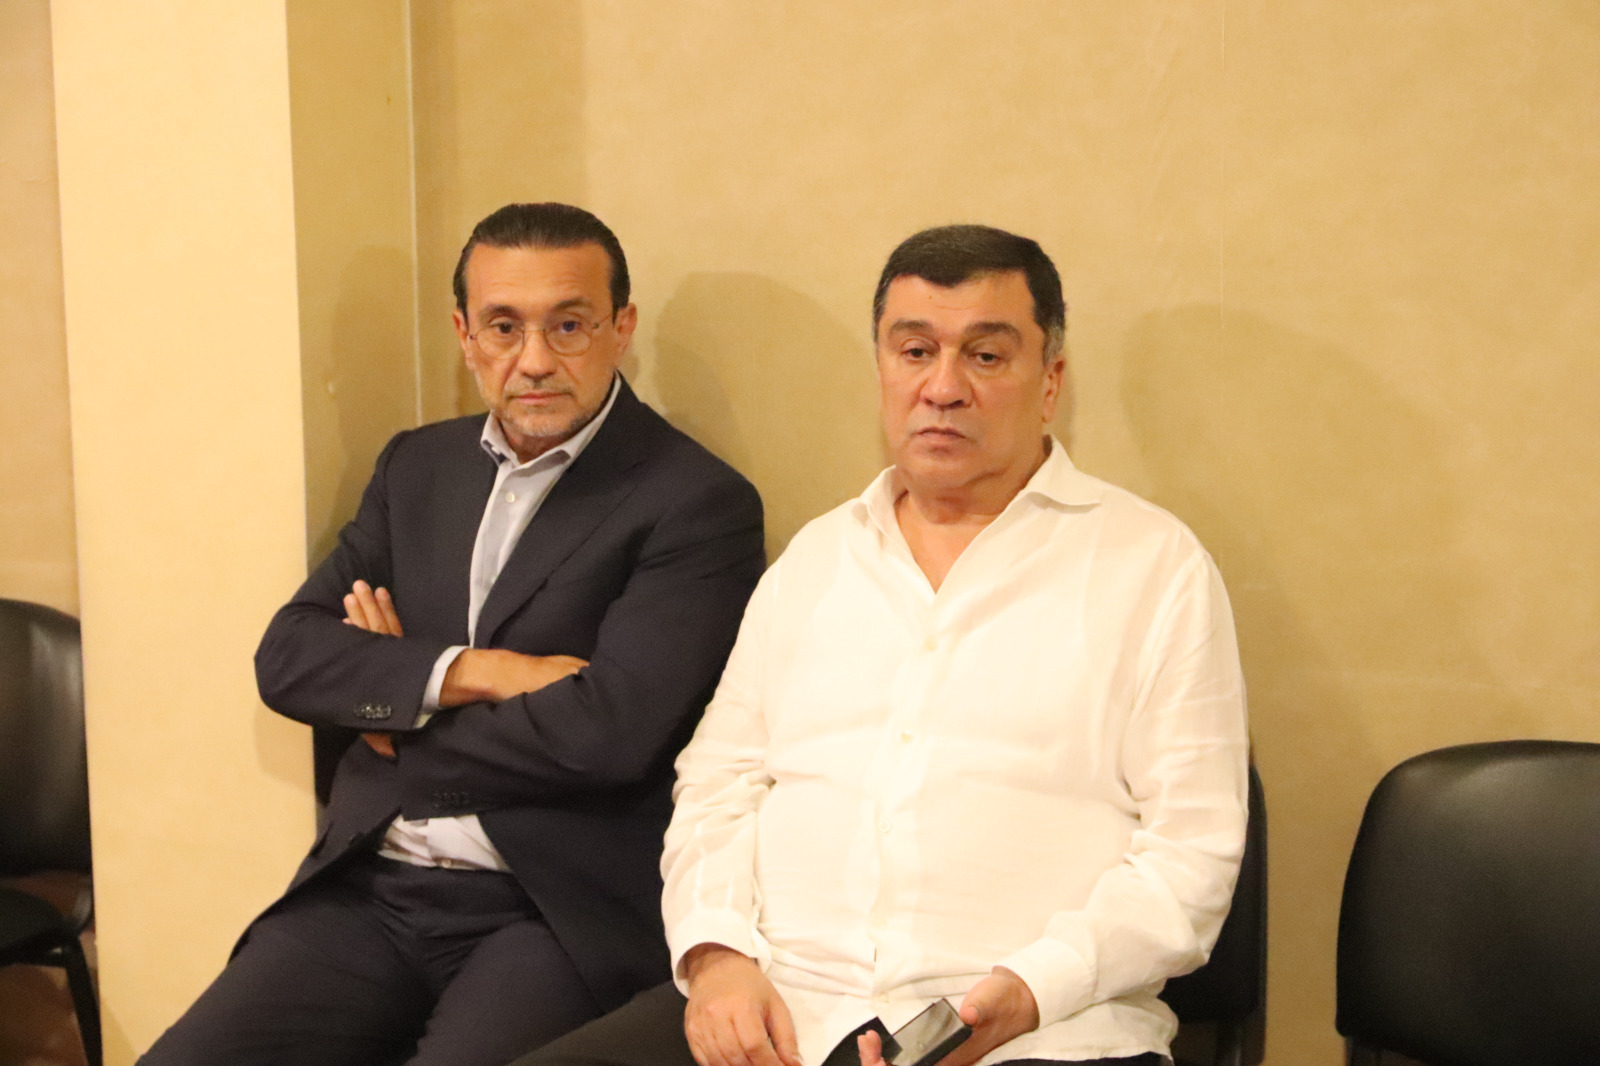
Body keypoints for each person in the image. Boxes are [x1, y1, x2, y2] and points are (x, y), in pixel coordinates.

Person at [519, 224, 1248, 1066]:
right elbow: (719, 784)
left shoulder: (1153, 566)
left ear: (1050, 382)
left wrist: (1029, 989)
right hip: (782, 1011)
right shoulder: (816, 560)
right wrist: (717, 957)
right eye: (915, 351)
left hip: (1044, 1031)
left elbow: (1191, 854)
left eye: (985, 356)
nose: (943, 388)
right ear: (883, 370)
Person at [141, 203, 766, 1066]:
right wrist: (478, 672)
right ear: (464, 334)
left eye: (569, 325)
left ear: (620, 328)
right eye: (504, 327)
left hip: (548, 909)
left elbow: (609, 733)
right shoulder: (417, 468)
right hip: (371, 886)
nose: (534, 360)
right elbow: (289, 656)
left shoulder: (695, 501)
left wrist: (396, 709)